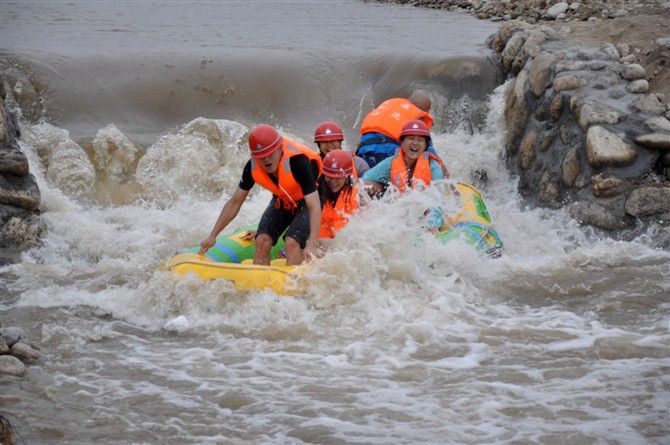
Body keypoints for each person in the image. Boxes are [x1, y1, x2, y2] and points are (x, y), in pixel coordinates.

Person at [199, 124, 322, 265]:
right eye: (261, 156)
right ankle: (260, 284)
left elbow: (314, 206)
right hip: (283, 199)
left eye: (270, 154)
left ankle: (293, 284)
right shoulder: (251, 168)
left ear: (279, 148)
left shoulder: (298, 162)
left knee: (291, 241)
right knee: (262, 240)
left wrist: (312, 242)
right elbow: (235, 202)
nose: (266, 160)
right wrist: (213, 235)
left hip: (308, 201)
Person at [362, 120, 447, 232]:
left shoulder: (433, 166)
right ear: (402, 143)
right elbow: (364, 180)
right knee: (366, 186)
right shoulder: (391, 162)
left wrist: (432, 225)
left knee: (431, 213)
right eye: (411, 138)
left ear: (426, 145)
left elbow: (438, 199)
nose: (415, 143)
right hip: (398, 212)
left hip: (423, 213)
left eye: (420, 140)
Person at [355, 90, 434, 168]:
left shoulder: (392, 103)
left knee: (366, 178)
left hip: (363, 148)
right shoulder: (418, 118)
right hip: (387, 150)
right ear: (427, 110)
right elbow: (428, 150)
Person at [317, 149, 360, 241]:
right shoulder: (315, 192)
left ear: (346, 176)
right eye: (329, 176)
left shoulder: (357, 196)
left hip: (341, 245)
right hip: (321, 240)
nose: (333, 182)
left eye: (338, 177)